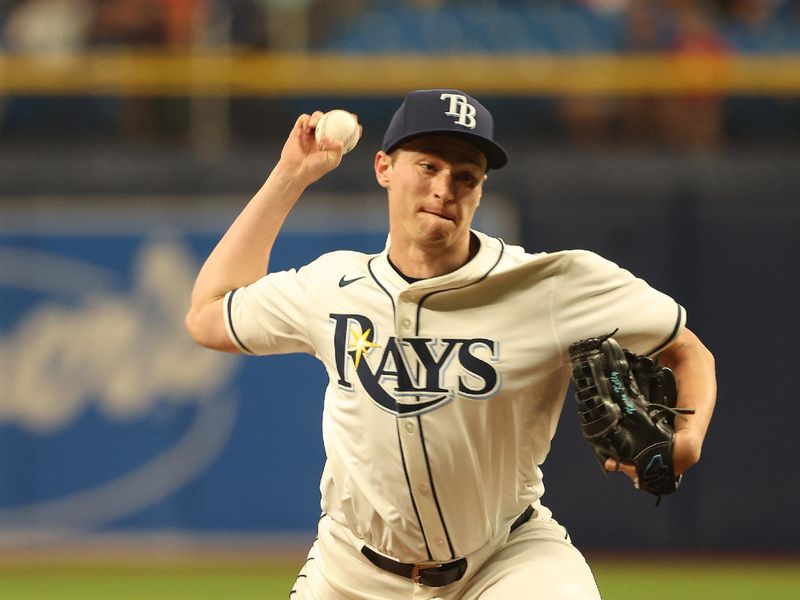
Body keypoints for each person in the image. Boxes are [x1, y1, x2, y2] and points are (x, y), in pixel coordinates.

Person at [185, 89, 717, 599]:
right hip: (353, 570)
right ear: (383, 168)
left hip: (506, 559)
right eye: (428, 166)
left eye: (465, 175)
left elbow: (687, 350)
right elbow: (209, 315)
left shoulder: (551, 284)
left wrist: (688, 435)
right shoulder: (332, 287)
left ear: (480, 190)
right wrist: (289, 177)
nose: (445, 188)